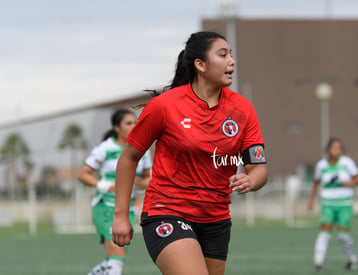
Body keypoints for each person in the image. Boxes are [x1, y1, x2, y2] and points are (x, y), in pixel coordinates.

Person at [111, 31, 268, 275]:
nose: (232, 61)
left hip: (216, 219)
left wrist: (251, 179)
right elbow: (129, 157)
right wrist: (121, 215)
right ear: (200, 65)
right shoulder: (165, 106)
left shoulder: (243, 109)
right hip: (167, 211)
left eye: (231, 55)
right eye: (223, 54)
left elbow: (259, 169)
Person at [78, 108, 152, 275]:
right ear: (116, 128)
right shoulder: (106, 148)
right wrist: (103, 185)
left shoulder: (143, 149)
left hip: (128, 210)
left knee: (115, 255)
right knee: (118, 255)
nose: (133, 126)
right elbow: (83, 174)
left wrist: (141, 183)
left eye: (135, 122)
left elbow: (148, 178)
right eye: (128, 123)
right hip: (105, 206)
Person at [308, 137, 358, 272]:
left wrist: (348, 183)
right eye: (334, 147)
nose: (336, 150)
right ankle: (318, 262)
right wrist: (311, 200)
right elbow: (316, 182)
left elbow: (357, 178)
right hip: (328, 204)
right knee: (325, 231)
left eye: (339, 148)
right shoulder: (321, 165)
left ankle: (352, 259)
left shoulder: (347, 163)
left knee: (342, 235)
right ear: (328, 150)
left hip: (345, 203)